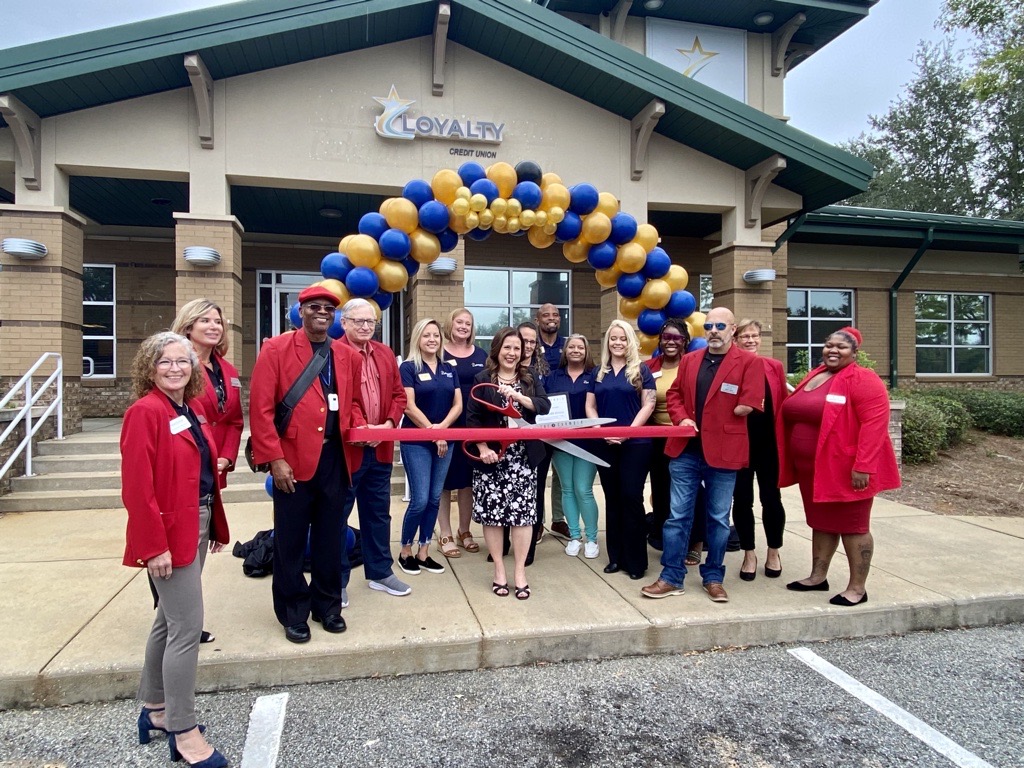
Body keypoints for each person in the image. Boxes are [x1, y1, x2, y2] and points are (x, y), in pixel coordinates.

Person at [121, 331, 229, 768]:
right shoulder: (144, 412)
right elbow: (137, 488)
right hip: (168, 535)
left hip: (196, 523)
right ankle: (183, 730)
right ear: (149, 367)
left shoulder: (187, 410)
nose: (175, 368)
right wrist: (154, 547)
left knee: (168, 622)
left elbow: (197, 474)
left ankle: (154, 708)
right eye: (164, 362)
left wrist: (214, 525)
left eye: (182, 361)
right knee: (187, 629)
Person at [249, 284, 367, 644]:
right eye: (314, 307)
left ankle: (328, 606)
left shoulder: (347, 356)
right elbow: (261, 409)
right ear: (301, 312)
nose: (322, 313)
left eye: (328, 309)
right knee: (291, 542)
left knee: (332, 540)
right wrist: (274, 459)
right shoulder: (276, 349)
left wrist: (362, 427)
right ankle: (293, 611)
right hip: (292, 460)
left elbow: (355, 404)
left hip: (336, 457)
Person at [642, 306, 763, 603]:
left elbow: (750, 401)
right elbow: (674, 395)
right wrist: (682, 418)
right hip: (686, 451)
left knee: (719, 519)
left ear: (732, 329)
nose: (713, 331)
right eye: (708, 326)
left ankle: (713, 577)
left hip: (724, 453)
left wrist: (738, 406)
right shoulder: (691, 360)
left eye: (720, 325)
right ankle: (671, 576)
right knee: (677, 516)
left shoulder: (749, 362)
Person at [780, 327, 900, 606]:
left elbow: (874, 425)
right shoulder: (817, 374)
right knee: (821, 523)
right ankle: (817, 577)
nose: (832, 350)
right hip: (814, 470)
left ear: (854, 353)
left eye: (841, 347)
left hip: (847, 470)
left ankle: (857, 588)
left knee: (853, 526)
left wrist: (864, 466)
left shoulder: (863, 379)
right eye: (828, 345)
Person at [170, 298, 243, 646]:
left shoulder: (227, 370)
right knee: (178, 549)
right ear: (188, 327)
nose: (214, 326)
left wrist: (226, 457)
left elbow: (233, 420)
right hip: (184, 469)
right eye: (205, 321)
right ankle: (177, 620)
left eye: (218, 321)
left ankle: (181, 618)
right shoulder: (176, 366)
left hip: (214, 470)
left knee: (195, 547)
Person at [467, 327, 551, 600]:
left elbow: (543, 405)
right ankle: (499, 571)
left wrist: (518, 397)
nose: (512, 353)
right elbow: (473, 420)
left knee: (524, 517)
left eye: (517, 348)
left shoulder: (529, 378)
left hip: (524, 459)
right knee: (493, 516)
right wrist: (482, 449)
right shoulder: (481, 378)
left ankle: (519, 573)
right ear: (497, 350)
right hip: (493, 459)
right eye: (507, 347)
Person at [338, 298, 411, 601]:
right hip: (348, 451)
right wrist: (362, 427)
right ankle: (336, 582)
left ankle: (380, 572)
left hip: (380, 449)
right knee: (337, 517)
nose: (366, 327)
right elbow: (341, 398)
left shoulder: (384, 354)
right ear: (344, 323)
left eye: (371, 322)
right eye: (359, 321)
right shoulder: (334, 352)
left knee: (378, 515)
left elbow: (398, 395)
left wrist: (389, 423)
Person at [586, 319, 656, 581]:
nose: (617, 343)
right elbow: (590, 406)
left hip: (635, 444)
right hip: (604, 443)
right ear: (607, 342)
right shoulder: (598, 372)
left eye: (622, 338)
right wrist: (601, 430)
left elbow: (647, 405)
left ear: (630, 342)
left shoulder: (641, 370)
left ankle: (635, 561)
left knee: (630, 497)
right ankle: (616, 557)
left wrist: (628, 432)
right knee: (612, 499)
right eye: (613, 338)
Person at [397, 318, 462, 575]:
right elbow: (409, 406)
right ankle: (405, 549)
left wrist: (442, 430)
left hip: (446, 439)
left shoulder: (449, 368)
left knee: (435, 498)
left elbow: (457, 404)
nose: (432, 339)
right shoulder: (408, 367)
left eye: (435, 335)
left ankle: (424, 550)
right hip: (417, 441)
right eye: (426, 335)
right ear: (418, 339)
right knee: (420, 499)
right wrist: (435, 435)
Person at [644, 318, 708, 562]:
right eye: (667, 337)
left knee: (692, 491)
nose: (671, 342)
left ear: (685, 342)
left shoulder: (693, 365)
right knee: (661, 489)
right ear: (660, 340)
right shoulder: (649, 366)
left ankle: (696, 541)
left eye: (677, 338)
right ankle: (664, 536)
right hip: (656, 436)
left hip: (686, 436)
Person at [731, 319, 788, 581]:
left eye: (755, 335)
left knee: (771, 499)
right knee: (742, 501)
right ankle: (749, 553)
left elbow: (783, 404)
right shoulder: (730, 367)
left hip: (768, 445)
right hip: (740, 444)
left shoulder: (773, 367)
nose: (751, 340)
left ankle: (774, 551)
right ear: (736, 339)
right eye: (745, 336)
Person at [436, 308, 488, 559]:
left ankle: (464, 531)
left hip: (473, 425)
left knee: (468, 482)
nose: (464, 326)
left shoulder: (481, 354)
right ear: (451, 323)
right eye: (459, 321)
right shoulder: (439, 351)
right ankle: (444, 533)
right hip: (445, 424)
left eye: (468, 323)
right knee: (443, 482)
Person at [545, 334, 600, 558]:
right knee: (567, 488)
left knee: (583, 489)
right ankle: (575, 536)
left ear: (586, 351)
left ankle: (592, 538)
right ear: (565, 351)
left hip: (587, 442)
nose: (576, 350)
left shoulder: (594, 375)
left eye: (580, 347)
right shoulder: (552, 376)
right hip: (561, 442)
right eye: (571, 347)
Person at [535, 303, 569, 538]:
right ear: (538, 320)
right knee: (537, 473)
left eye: (555, 315)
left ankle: (558, 519)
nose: (551, 318)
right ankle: (536, 522)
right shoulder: (530, 344)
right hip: (536, 418)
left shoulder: (567, 345)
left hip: (562, 418)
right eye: (546, 315)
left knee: (561, 475)